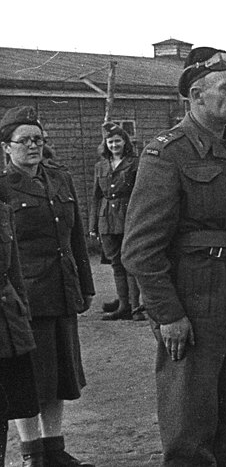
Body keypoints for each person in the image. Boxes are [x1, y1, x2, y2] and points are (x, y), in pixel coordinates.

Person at [122, 47, 226, 466]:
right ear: (196, 95)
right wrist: (168, 314)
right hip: (194, 294)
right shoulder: (167, 153)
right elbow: (140, 249)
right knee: (190, 412)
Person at [0, 106, 95, 467]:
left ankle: (55, 450)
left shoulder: (60, 178)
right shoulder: (3, 186)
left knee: (59, 377)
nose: (33, 146)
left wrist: (85, 286)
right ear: (6, 147)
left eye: (38, 139)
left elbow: (75, 241)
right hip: (24, 300)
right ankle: (32, 454)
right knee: (29, 380)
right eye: (23, 140)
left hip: (61, 291)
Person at [0, 189, 40, 466]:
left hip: (6, 320)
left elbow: (13, 268)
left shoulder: (3, 210)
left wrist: (22, 312)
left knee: (5, 405)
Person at [90, 121, 142, 321]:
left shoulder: (135, 163)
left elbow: (139, 193)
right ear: (106, 144)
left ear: (124, 142)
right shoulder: (100, 166)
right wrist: (93, 226)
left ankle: (136, 307)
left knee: (129, 261)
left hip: (127, 216)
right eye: (110, 142)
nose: (114, 145)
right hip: (107, 219)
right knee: (116, 263)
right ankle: (123, 305)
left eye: (117, 141)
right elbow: (95, 197)